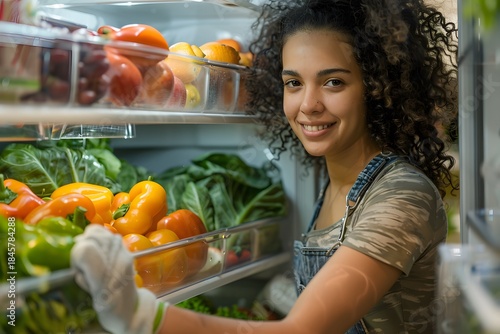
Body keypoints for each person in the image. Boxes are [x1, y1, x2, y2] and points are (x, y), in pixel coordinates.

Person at [70, 0, 459, 333]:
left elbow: (301, 330)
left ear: (376, 88)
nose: (308, 105)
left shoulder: (402, 196)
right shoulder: (337, 179)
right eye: (293, 83)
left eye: (334, 82)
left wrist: (140, 314)